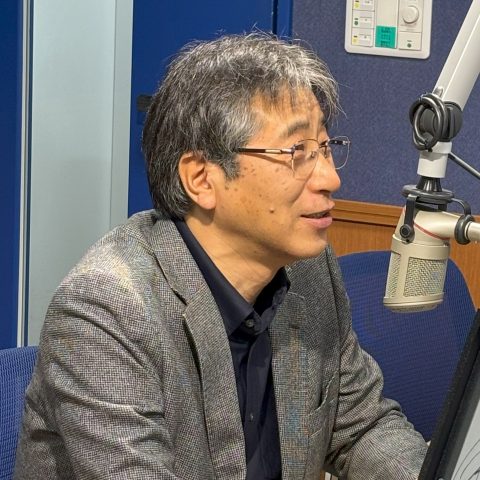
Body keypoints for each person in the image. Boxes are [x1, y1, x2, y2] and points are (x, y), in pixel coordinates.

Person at [14, 33, 428, 479]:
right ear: (201, 179)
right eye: (298, 153)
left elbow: (362, 426)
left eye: (325, 148)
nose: (330, 178)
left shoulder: (307, 267)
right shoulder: (106, 310)